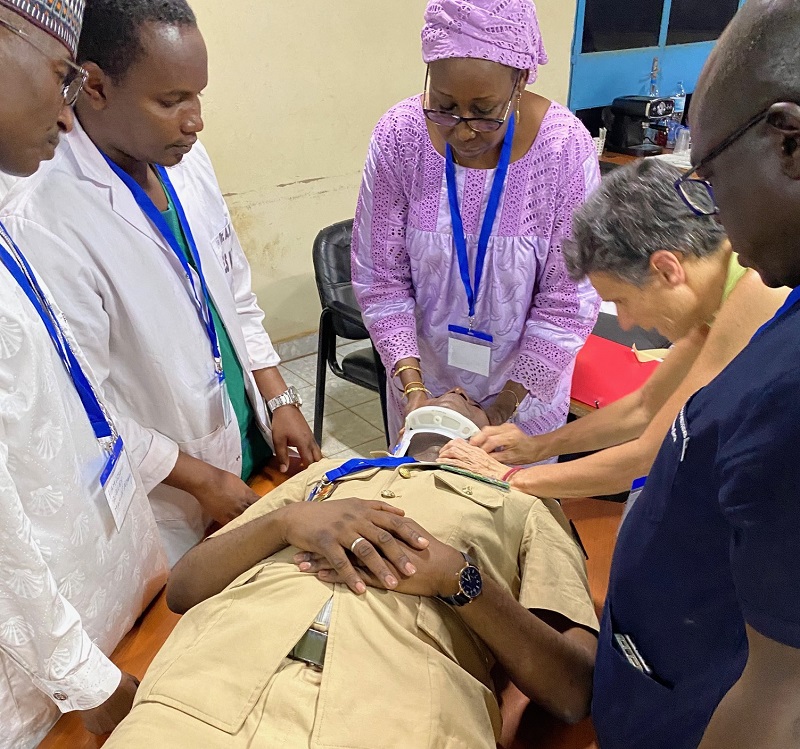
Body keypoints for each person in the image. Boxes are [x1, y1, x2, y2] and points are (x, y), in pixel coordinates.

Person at [0, 0, 321, 567]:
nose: (195, 119)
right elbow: (81, 405)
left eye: (198, 96)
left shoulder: (184, 159)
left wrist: (278, 397)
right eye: (171, 101)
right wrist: (199, 480)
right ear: (93, 87)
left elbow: (233, 293)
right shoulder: (45, 215)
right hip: (171, 498)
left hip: (244, 443)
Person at [102, 393, 599, 749]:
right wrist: (286, 519)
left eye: (470, 399)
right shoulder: (326, 475)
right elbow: (183, 590)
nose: (456, 391)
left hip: (394, 713)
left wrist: (459, 580)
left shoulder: (525, 502)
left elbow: (573, 690)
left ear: (487, 434)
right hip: (205, 687)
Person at [587, 1, 800, 747]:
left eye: (709, 178)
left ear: (790, 142)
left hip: (700, 697)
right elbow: (656, 408)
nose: (714, 218)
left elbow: (783, 695)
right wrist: (530, 450)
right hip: (656, 664)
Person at [0, 1, 168, 746]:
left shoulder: (9, 208)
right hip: (45, 685)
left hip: (98, 621)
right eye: (62, 78)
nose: (67, 118)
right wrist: (89, 680)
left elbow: (62, 408)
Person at [438, 159, 788, 498]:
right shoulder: (716, 290)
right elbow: (645, 407)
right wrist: (534, 447)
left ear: (667, 269)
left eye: (621, 300)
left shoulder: (760, 285)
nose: (624, 322)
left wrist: (510, 478)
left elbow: (652, 450)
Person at [351, 0, 600, 443]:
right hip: (423, 390)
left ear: (519, 80)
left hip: (524, 400)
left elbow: (568, 301)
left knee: (510, 505)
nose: (463, 130)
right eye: (444, 106)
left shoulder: (563, 149)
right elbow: (381, 282)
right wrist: (414, 390)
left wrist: (502, 410)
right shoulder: (399, 136)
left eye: (485, 112)